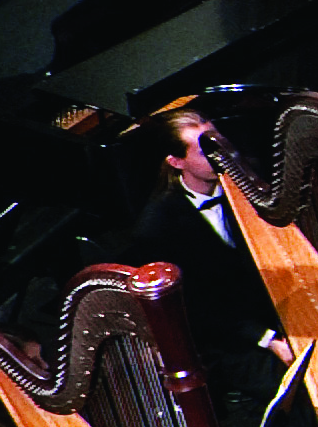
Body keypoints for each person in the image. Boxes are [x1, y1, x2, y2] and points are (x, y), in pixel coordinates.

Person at [126, 109, 298, 385]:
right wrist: (268, 340)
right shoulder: (157, 228)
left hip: (277, 306)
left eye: (217, 142)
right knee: (301, 390)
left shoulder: (250, 179)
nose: (220, 156)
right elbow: (198, 310)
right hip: (230, 340)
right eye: (205, 151)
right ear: (176, 161)